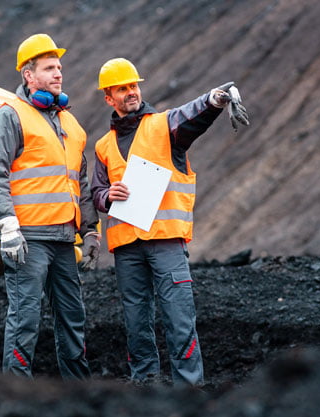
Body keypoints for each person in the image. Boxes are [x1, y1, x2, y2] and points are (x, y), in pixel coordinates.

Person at [91, 58, 249, 386]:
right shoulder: (103, 146)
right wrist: (107, 196)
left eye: (134, 85)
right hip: (127, 251)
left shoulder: (164, 125)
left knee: (179, 320)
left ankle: (189, 390)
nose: (131, 92)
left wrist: (213, 100)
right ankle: (145, 388)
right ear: (109, 97)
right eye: (122, 88)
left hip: (166, 243)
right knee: (136, 324)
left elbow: (190, 116)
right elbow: (96, 192)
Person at [0, 34, 100, 379]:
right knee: (25, 320)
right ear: (29, 75)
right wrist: (6, 224)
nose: (58, 73)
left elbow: (80, 183)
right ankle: (16, 396)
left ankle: (80, 396)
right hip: (27, 239)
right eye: (49, 68)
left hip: (63, 240)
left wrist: (89, 229)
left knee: (73, 319)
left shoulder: (71, 125)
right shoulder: (10, 116)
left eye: (59, 67)